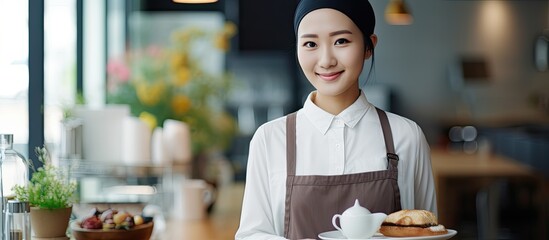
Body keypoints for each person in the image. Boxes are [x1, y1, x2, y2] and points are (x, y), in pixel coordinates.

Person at [235, 0, 437, 239]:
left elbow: (428, 231)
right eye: (310, 43)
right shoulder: (270, 139)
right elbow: (252, 235)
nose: (326, 60)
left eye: (341, 41)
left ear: (369, 46)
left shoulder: (407, 136)